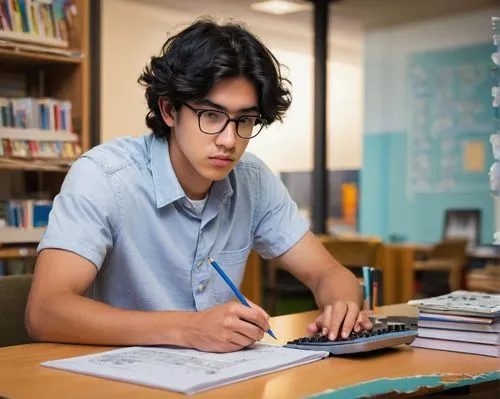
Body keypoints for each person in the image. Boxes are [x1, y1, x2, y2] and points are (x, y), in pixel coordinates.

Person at [25, 18, 371, 353]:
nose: (229, 140)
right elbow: (45, 311)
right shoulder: (104, 175)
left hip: (216, 378)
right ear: (169, 110)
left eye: (245, 120)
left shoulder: (254, 179)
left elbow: (326, 271)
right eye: (211, 116)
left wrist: (342, 304)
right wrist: (189, 329)